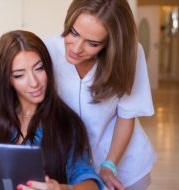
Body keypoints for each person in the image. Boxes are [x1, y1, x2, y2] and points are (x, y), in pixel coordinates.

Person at [0, 30, 103, 190]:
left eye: (39, 68)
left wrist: (61, 189)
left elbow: (90, 183)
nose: (34, 82)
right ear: (8, 80)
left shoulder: (67, 123)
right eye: (19, 75)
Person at [44, 0, 156, 190]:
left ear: (111, 45)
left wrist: (109, 164)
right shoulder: (48, 49)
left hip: (124, 168)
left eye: (92, 43)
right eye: (74, 32)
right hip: (74, 168)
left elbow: (126, 115)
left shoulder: (129, 55)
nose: (76, 48)